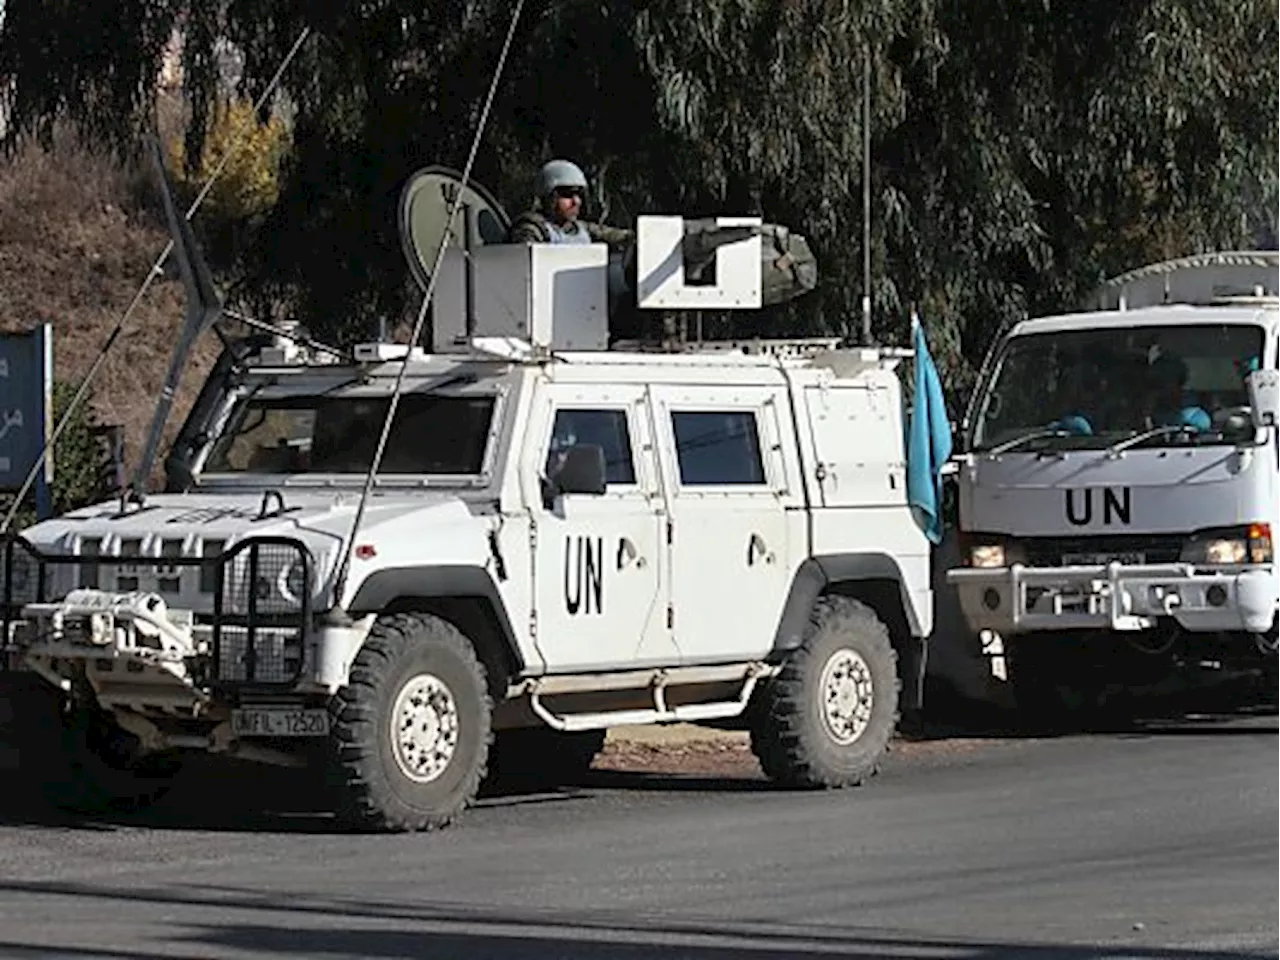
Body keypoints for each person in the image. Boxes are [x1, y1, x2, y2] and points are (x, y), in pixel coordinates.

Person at [507, 159, 634, 248]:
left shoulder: (581, 229)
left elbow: (617, 236)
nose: (576, 202)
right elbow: (526, 263)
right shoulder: (532, 229)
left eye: (578, 195)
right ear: (549, 197)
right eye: (567, 195)